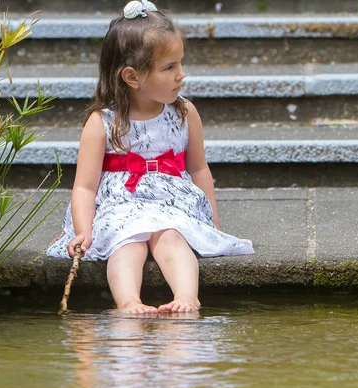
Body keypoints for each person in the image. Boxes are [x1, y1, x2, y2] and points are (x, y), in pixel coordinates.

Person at [47, 0, 254, 314]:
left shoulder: (184, 114)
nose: (181, 75)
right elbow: (85, 187)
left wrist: (212, 219)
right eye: (169, 68)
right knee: (127, 241)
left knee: (170, 235)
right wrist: (83, 230)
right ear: (132, 77)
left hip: (171, 202)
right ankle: (129, 302)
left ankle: (187, 297)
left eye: (180, 64)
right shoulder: (102, 123)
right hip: (120, 204)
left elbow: (198, 169)